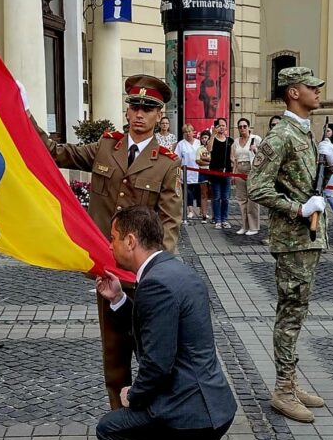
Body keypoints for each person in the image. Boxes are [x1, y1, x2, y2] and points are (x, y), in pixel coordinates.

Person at [95, 206, 309, 440]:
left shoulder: (156, 285)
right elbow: (159, 330)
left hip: (187, 410)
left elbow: (158, 364)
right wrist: (120, 300)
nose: (110, 245)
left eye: (113, 238)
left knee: (111, 429)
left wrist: (132, 396)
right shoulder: (175, 271)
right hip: (210, 405)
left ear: (131, 241)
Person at [33, 74, 182, 413]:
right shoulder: (105, 147)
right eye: (135, 107)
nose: (140, 114)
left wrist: (157, 272)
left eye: (149, 108)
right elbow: (55, 153)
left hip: (143, 276)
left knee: (149, 351)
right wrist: (22, 112)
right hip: (109, 269)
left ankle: (147, 419)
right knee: (114, 352)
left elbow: (170, 224)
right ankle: (120, 421)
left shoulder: (167, 163)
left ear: (160, 115)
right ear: (127, 111)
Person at [248, 66, 330, 423]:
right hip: (293, 238)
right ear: (293, 92)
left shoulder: (303, 132)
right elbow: (257, 187)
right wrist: (299, 208)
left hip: (307, 238)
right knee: (290, 313)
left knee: (297, 311)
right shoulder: (280, 135)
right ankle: (282, 388)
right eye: (312, 88)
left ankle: (290, 381)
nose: (318, 93)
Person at [232, 118, 261, 235]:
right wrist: (233, 174)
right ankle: (244, 226)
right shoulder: (235, 141)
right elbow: (234, 159)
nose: (242, 129)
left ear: (249, 127)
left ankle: (254, 227)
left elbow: (263, 155)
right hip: (239, 170)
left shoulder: (256, 139)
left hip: (251, 170)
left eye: (244, 126)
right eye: (240, 127)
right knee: (241, 200)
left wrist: (256, 150)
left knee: (252, 199)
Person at [208, 118, 234, 229]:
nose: (222, 127)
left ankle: (224, 219)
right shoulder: (213, 139)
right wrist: (213, 134)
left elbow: (233, 157)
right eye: (219, 125)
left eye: (224, 125)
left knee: (226, 198)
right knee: (216, 197)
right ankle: (217, 219)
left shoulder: (230, 141)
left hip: (226, 172)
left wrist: (233, 170)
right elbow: (209, 149)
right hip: (215, 171)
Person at [173, 124, 202, 218]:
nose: (188, 133)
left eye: (189, 131)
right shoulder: (181, 144)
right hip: (186, 172)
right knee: (187, 192)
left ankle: (201, 210)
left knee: (199, 191)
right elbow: (177, 158)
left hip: (198, 170)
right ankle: (190, 210)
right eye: (185, 132)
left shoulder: (199, 143)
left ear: (193, 132)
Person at [196, 130, 212, 223]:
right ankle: (204, 215)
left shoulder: (212, 148)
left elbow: (213, 160)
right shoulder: (199, 149)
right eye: (202, 138)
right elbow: (198, 161)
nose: (204, 140)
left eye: (205, 137)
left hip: (212, 171)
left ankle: (214, 216)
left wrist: (205, 159)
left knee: (213, 194)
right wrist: (208, 160)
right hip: (202, 171)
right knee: (203, 194)